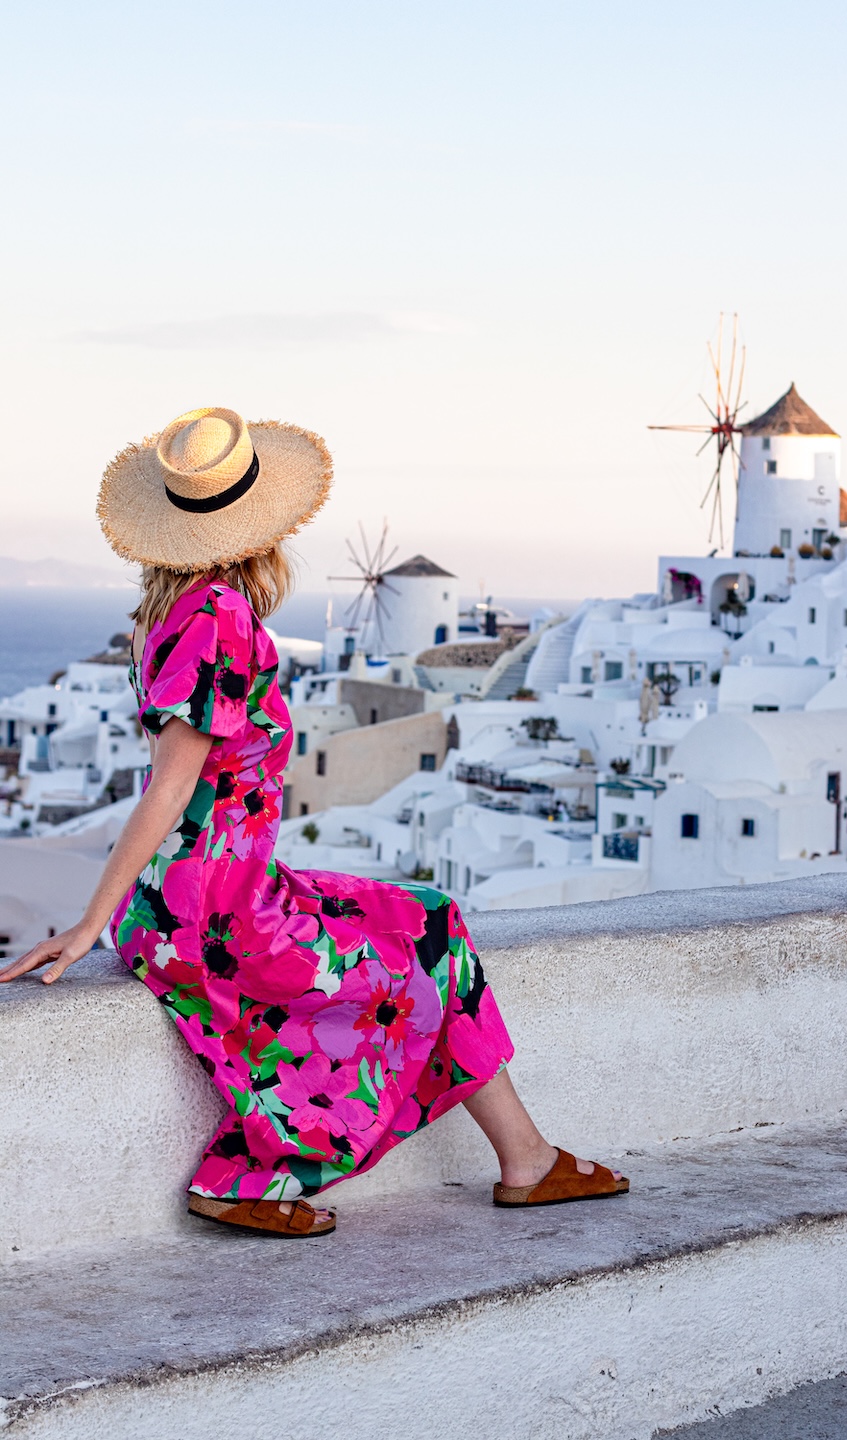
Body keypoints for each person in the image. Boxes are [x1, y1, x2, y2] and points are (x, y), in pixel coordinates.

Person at [0, 407, 628, 1237]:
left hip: (211, 893)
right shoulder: (218, 615)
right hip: (216, 911)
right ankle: (253, 1176)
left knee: (430, 921)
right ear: (260, 525)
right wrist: (87, 923)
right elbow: (168, 786)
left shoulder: (172, 616)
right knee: (420, 950)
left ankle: (527, 1160)